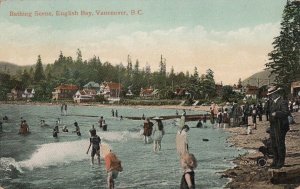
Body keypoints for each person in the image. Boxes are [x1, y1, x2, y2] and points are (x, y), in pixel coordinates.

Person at [267, 86, 290, 169]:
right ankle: (275, 160)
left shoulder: (282, 101)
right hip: (273, 126)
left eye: (272, 94)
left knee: (280, 143)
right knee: (273, 144)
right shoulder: (272, 102)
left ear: (276, 93)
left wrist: (276, 113)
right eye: (270, 94)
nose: (271, 96)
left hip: (281, 126)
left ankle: (281, 161)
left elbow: (286, 113)